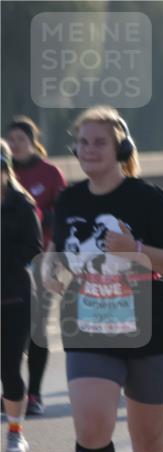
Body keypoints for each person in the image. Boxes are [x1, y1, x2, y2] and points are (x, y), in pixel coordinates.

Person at [44, 106, 163, 452]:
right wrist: (52, 271)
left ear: (121, 148)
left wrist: (138, 251)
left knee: (148, 441)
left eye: (100, 142)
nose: (89, 149)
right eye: (83, 142)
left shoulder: (148, 199)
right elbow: (63, 258)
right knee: (92, 427)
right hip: (90, 327)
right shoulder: (69, 200)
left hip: (152, 329)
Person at [7, 116, 67, 415]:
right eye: (12, 140)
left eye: (21, 139)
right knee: (10, 332)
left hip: (43, 260)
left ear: (33, 141)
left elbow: (63, 215)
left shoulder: (50, 173)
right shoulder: (6, 174)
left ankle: (34, 393)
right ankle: (12, 389)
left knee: (37, 329)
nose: (16, 145)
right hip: (11, 269)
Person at [1, 139, 42, 452]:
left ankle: (16, 434)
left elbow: (33, 247)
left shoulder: (21, 204)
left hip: (13, 295)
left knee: (9, 368)